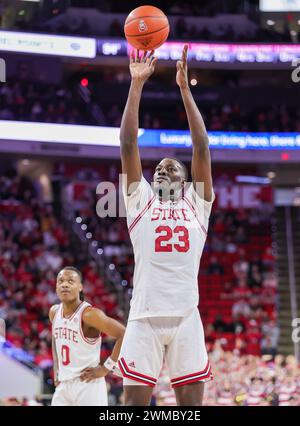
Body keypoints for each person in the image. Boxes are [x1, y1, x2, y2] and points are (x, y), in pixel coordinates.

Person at [119, 45, 214, 406]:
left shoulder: (198, 201)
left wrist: (185, 90)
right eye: (158, 167)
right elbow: (128, 142)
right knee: (132, 408)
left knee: (190, 409)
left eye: (171, 167)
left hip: (187, 315)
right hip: (143, 316)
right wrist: (136, 84)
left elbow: (202, 146)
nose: (161, 168)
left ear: (186, 179)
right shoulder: (138, 199)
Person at [50, 266, 125, 406]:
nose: (65, 284)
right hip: (64, 384)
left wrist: (105, 368)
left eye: (70, 281)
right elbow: (55, 339)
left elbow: (123, 333)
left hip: (88, 384)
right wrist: (56, 368)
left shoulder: (89, 314)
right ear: (56, 287)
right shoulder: (54, 312)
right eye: (61, 281)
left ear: (80, 287)